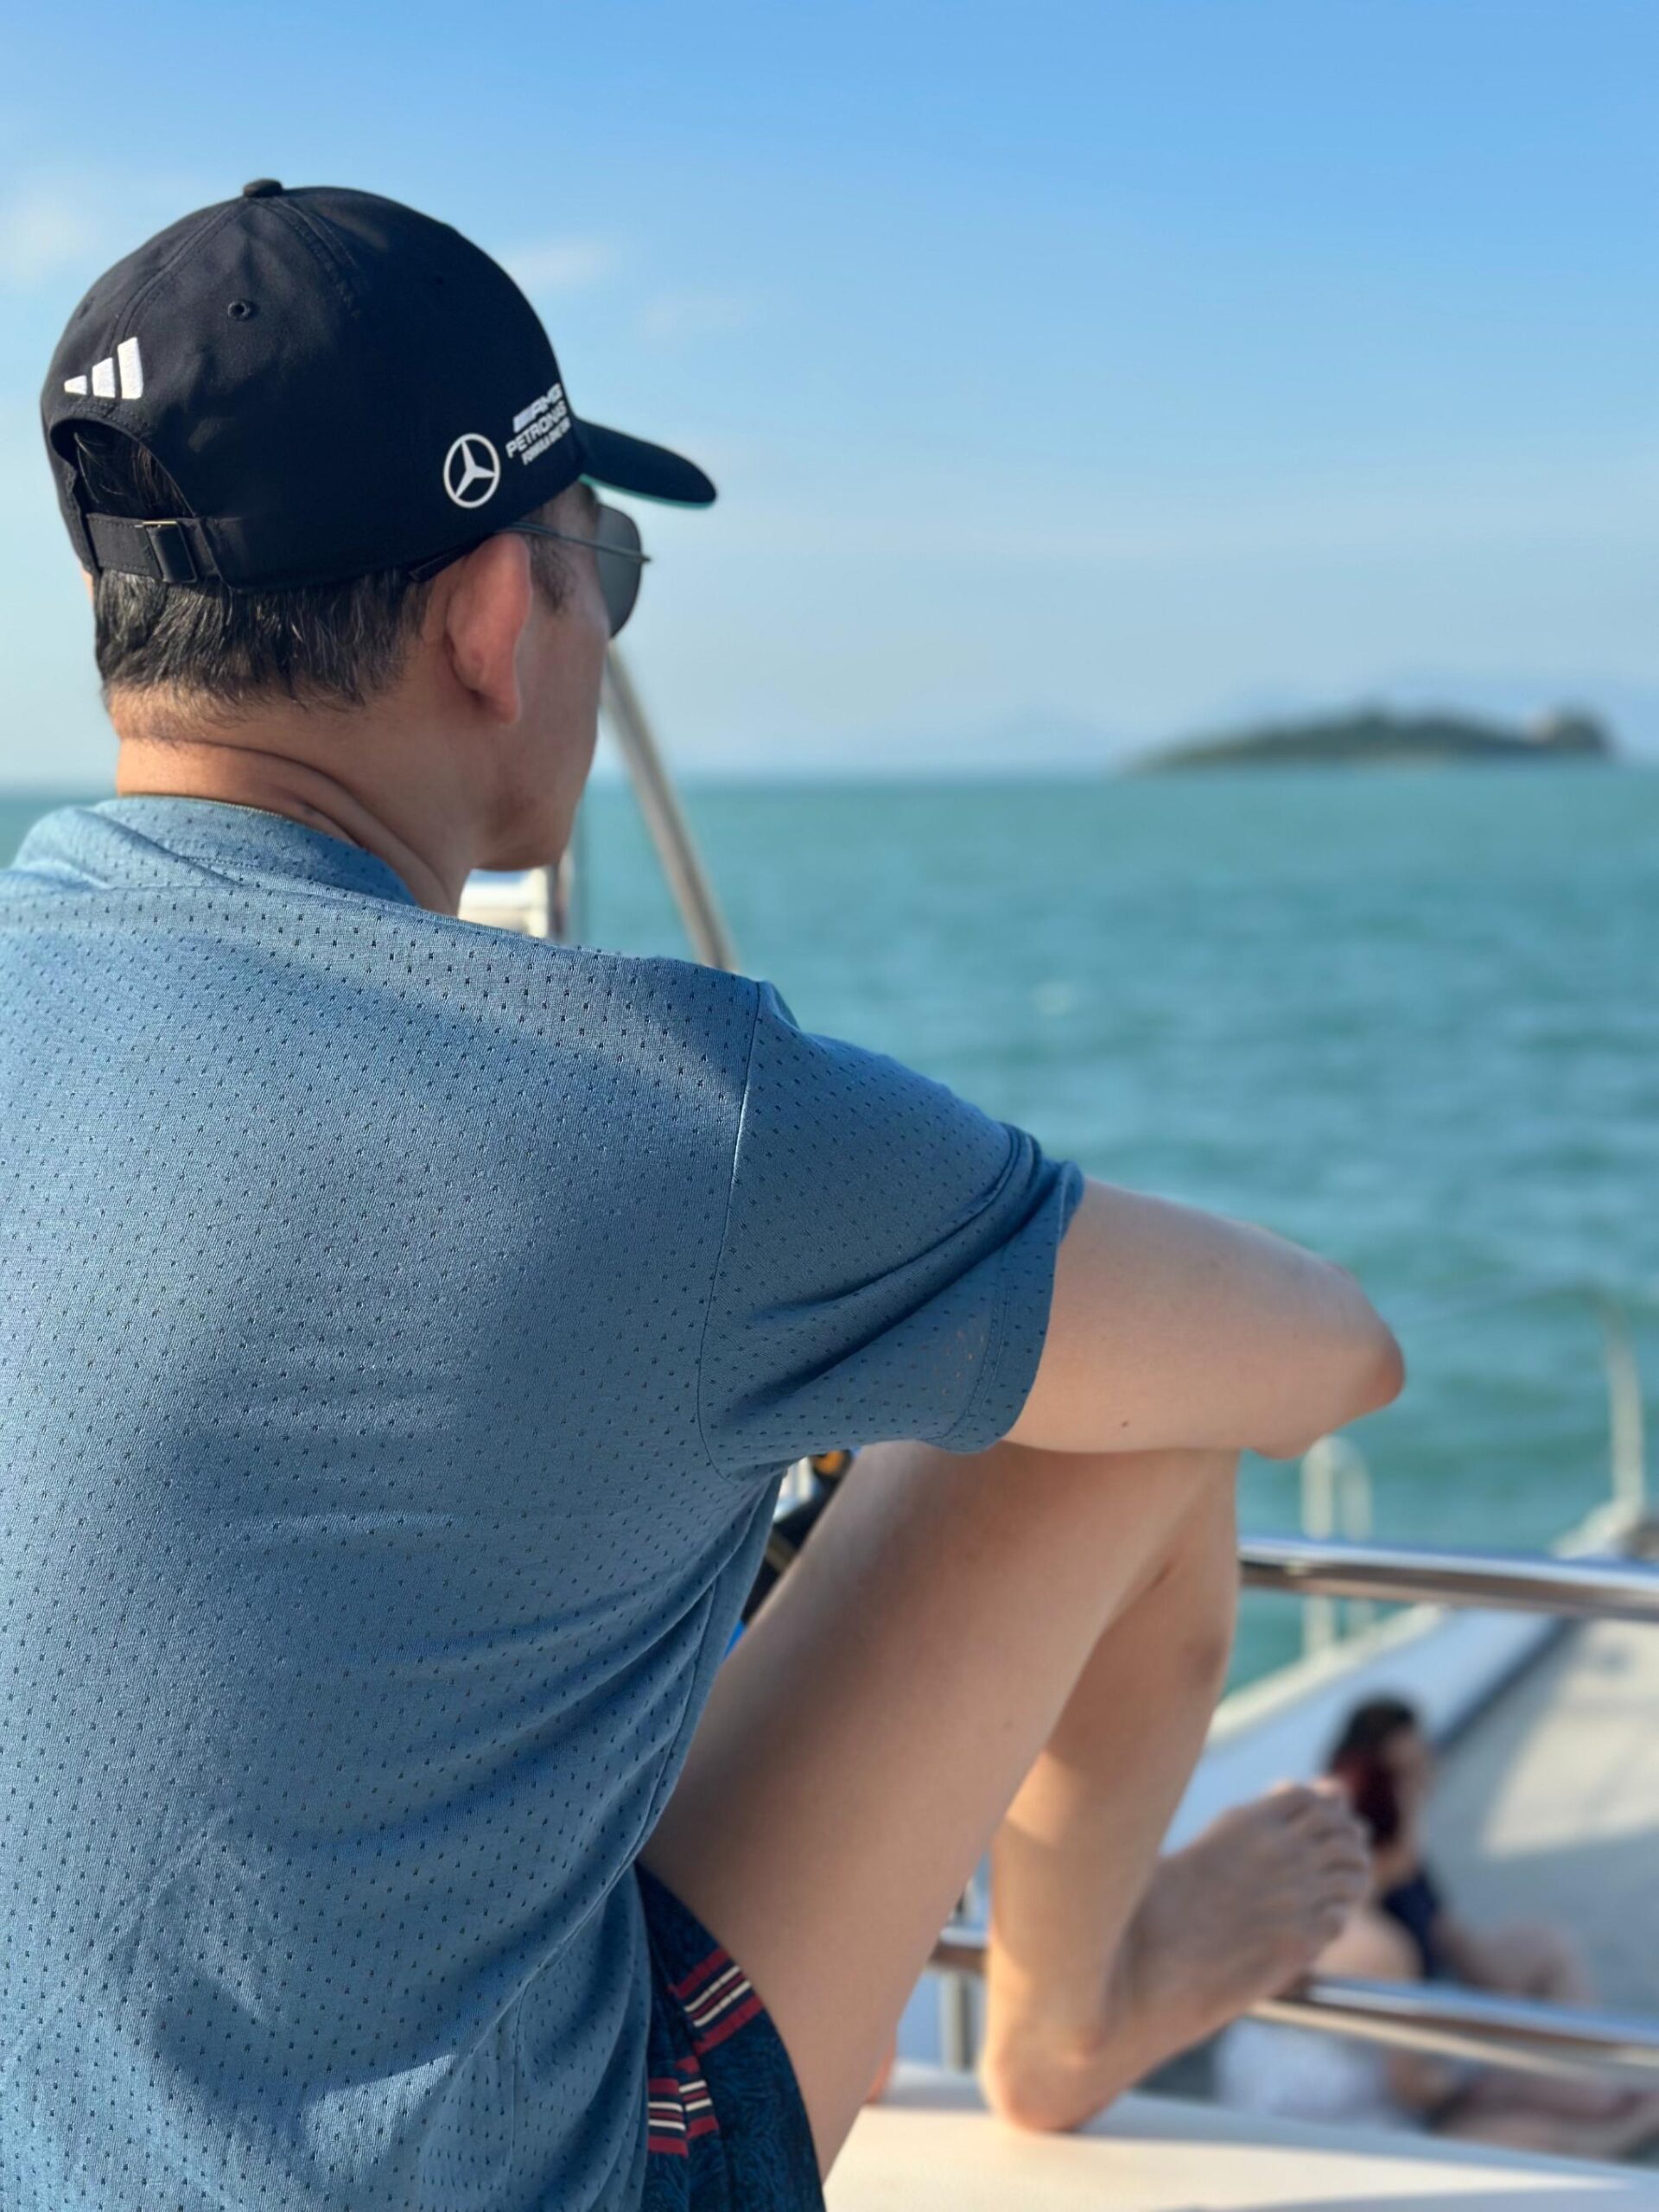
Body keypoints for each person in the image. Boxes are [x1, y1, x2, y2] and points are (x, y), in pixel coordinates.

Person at [0, 180, 1403, 2212]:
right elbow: (1326, 1353)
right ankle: (1070, 2010)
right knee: (1125, 1380)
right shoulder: (655, 1108)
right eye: (607, 569)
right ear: (495, 619)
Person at [1215, 1695, 1659, 2158]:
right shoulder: (1376, 1945)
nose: (1426, 1784)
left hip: (1353, 2070)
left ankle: (1607, 2098)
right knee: (1535, 2132)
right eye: (1409, 1779)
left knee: (1542, 1971)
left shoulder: (1338, 1888)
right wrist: (1487, 2080)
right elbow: (1413, 2089)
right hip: (1336, 2124)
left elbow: (1463, 1953)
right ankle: (1629, 2123)